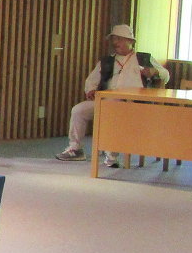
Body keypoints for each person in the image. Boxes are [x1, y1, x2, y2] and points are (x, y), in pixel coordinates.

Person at [55, 24, 169, 164]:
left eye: (119, 39)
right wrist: (90, 89)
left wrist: (154, 71)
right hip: (107, 101)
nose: (115, 42)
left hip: (135, 105)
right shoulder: (107, 61)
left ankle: (111, 155)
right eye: (114, 39)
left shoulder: (143, 59)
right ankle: (75, 148)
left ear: (130, 41)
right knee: (78, 110)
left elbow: (166, 75)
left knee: (112, 108)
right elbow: (91, 80)